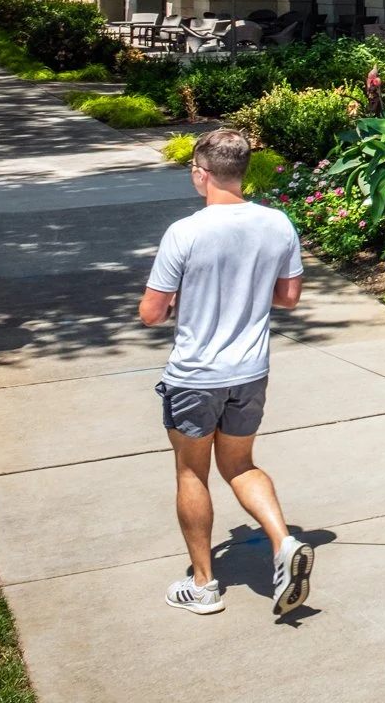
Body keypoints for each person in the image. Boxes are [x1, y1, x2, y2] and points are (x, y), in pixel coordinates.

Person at [137, 127, 315, 617]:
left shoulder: (185, 232)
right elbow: (289, 298)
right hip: (250, 371)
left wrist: (182, 300)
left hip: (195, 376)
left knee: (192, 471)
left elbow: (151, 313)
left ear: (202, 173)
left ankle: (203, 585)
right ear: (242, 172)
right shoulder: (277, 223)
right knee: (240, 465)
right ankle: (283, 543)